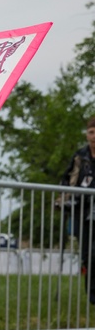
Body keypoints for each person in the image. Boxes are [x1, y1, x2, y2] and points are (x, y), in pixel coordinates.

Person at [59, 116, 95, 304]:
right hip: (83, 212)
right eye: (91, 132)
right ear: (87, 135)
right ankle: (92, 294)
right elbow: (65, 179)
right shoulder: (80, 156)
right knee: (88, 254)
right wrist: (64, 197)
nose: (94, 136)